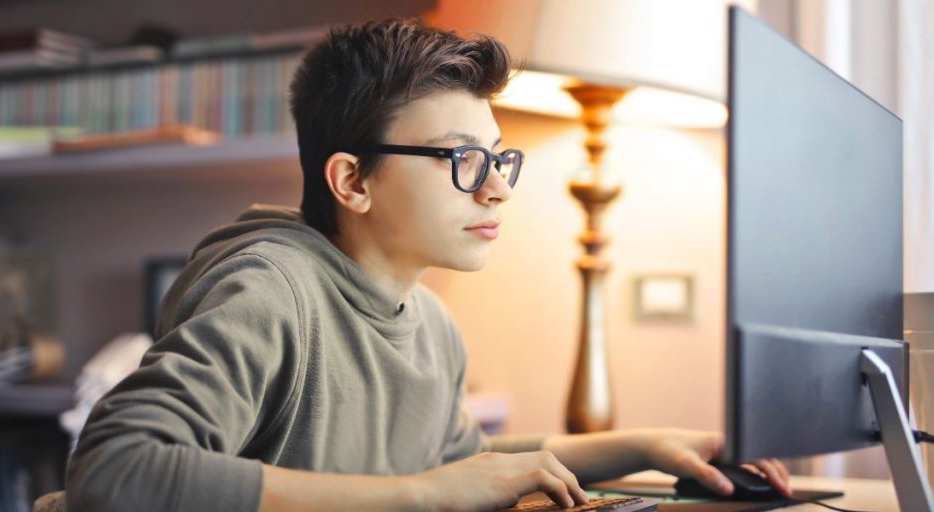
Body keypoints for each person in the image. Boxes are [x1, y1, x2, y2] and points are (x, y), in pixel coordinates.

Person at [65, 19, 791, 511]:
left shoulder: (428, 320)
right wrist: (428, 494)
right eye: (462, 160)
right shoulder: (268, 291)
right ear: (353, 181)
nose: (498, 184)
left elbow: (466, 461)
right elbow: (116, 467)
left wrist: (644, 446)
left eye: (499, 157)